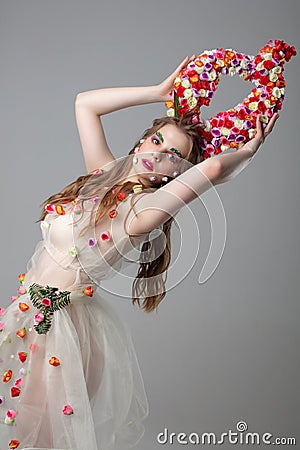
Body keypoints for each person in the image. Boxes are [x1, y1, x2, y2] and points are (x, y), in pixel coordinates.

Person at [0, 56, 278, 450]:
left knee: (38, 436)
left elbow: (213, 170)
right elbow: (85, 104)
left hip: (62, 333)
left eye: (173, 156)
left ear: (176, 173)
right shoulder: (102, 176)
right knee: (17, 428)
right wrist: (157, 92)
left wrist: (247, 152)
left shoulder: (142, 212)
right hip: (33, 312)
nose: (160, 153)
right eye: (157, 141)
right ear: (143, 140)